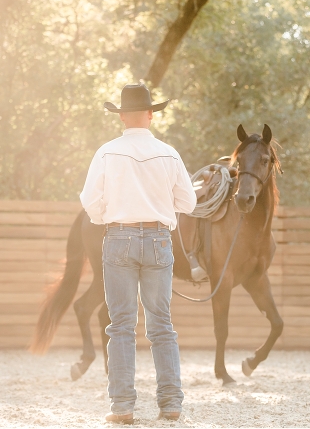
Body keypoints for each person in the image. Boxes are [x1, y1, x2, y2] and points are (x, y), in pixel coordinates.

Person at [80, 82, 197, 424]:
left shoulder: (106, 152)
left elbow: (90, 201)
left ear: (122, 117)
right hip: (160, 241)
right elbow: (188, 202)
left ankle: (122, 408)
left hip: (119, 239)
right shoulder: (169, 153)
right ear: (149, 115)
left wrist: (108, 219)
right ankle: (171, 404)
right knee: (161, 325)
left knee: (120, 326)